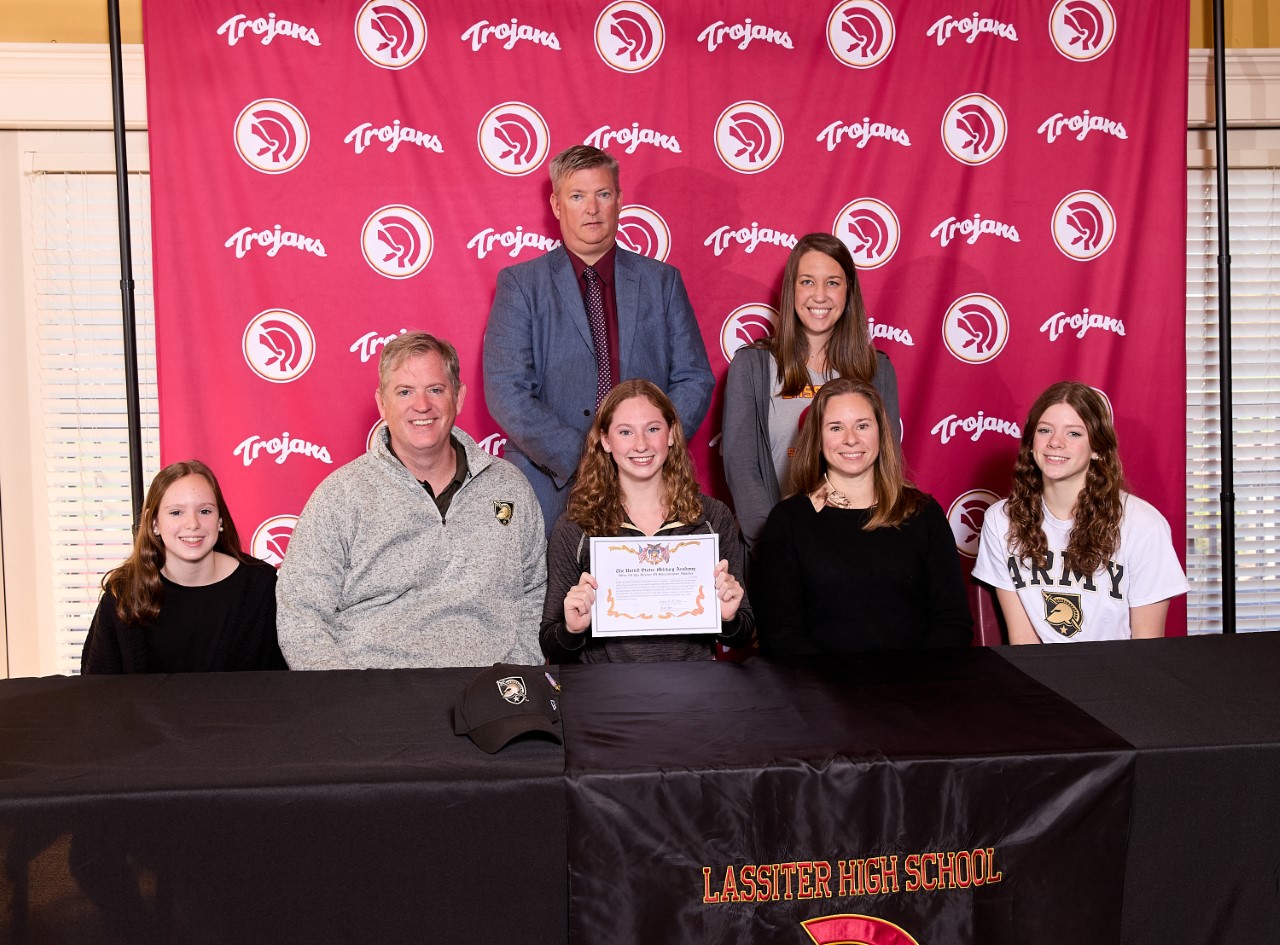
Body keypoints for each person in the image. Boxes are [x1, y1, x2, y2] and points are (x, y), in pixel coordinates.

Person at [276, 332, 545, 670]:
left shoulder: (510, 487)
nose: (422, 405)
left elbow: (534, 592)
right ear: (382, 403)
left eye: (435, 390)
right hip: (375, 687)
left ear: (458, 397)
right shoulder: (340, 495)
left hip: (489, 685)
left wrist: (516, 676)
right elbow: (300, 614)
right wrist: (345, 692)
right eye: (405, 392)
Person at [484, 144, 715, 534]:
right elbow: (507, 392)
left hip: (649, 484)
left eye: (603, 194)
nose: (591, 208)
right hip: (551, 484)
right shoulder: (521, 285)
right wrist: (590, 457)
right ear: (557, 205)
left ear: (619, 200)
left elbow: (694, 378)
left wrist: (644, 449)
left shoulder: (662, 282)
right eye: (577, 196)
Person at [753, 378, 971, 655]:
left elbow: (953, 623)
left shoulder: (923, 513)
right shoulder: (788, 520)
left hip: (915, 679)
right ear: (817, 439)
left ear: (881, 432)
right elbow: (781, 633)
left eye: (862, 426)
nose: (851, 439)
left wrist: (914, 678)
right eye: (836, 427)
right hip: (818, 681)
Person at [541, 380, 753, 662]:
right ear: (605, 441)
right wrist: (572, 629)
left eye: (653, 429)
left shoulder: (712, 517)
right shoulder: (576, 525)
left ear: (671, 434)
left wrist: (728, 617)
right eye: (625, 432)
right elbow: (551, 644)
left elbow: (742, 634)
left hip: (692, 685)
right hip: (605, 687)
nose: (641, 445)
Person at [722, 232, 901, 550]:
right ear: (791, 289)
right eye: (807, 282)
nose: (819, 296)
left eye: (832, 282)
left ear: (849, 291)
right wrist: (774, 546)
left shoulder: (878, 369)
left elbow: (887, 465)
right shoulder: (752, 366)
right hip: (778, 547)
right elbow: (742, 467)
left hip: (858, 547)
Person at [972, 381, 1188, 643]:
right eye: (1044, 430)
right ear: (1030, 443)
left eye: (1074, 433)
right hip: (1038, 667)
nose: (1055, 442)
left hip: (1120, 668)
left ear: (1097, 448)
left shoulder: (1144, 525)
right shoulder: (1001, 520)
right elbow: (1023, 641)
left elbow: (1147, 645)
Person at [81, 459, 284, 673]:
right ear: (154, 523)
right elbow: (97, 685)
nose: (193, 524)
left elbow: (280, 683)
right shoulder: (124, 592)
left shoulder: (260, 587)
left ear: (220, 520)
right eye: (176, 512)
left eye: (205, 511)